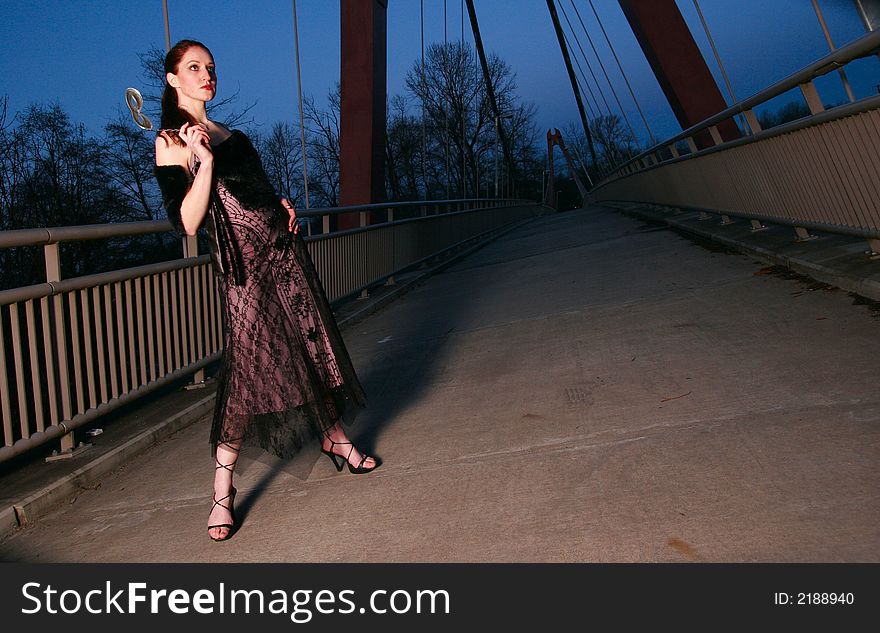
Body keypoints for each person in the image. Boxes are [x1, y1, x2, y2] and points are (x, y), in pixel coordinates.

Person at [153, 40, 378, 542]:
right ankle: (221, 489)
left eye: (210, 67)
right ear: (173, 80)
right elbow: (187, 223)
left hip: (283, 252)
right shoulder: (171, 141)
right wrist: (202, 163)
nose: (206, 74)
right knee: (251, 369)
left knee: (311, 344)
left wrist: (280, 203)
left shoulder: (234, 135)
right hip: (243, 270)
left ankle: (335, 438)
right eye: (194, 68)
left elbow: (254, 191)